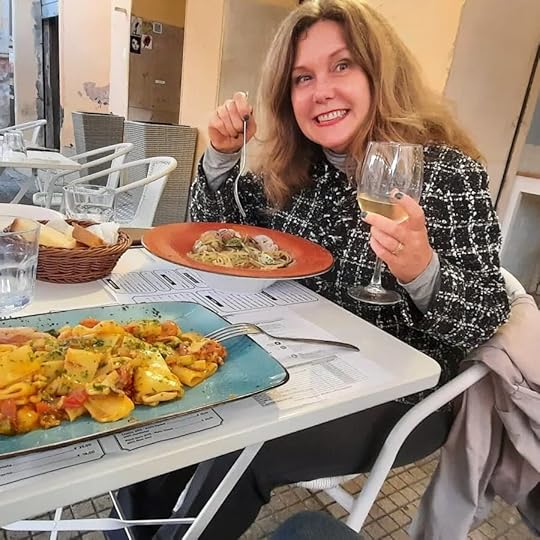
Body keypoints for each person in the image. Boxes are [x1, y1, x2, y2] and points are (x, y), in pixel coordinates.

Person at [113, 1, 510, 539]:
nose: (321, 90)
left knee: (243, 445)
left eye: (341, 65)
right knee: (166, 399)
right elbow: (218, 239)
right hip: (293, 356)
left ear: (379, 74)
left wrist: (423, 272)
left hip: (399, 395)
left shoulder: (447, 173)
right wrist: (222, 159)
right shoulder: (298, 165)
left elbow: (485, 318)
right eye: (303, 77)